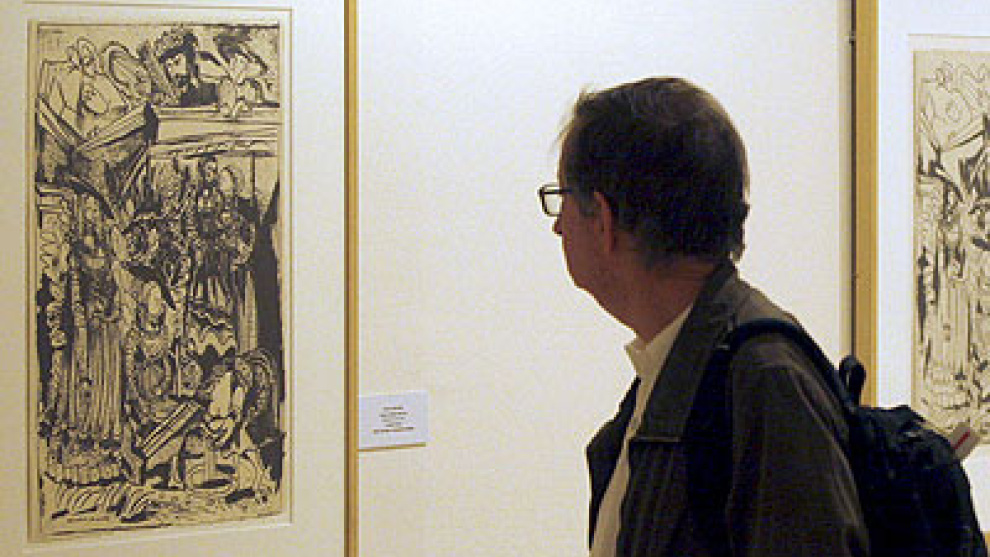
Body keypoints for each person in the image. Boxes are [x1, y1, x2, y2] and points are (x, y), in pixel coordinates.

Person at [539, 77, 869, 556]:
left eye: (563, 197)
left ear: (603, 220)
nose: (557, 225)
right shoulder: (689, 362)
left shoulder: (764, 379)